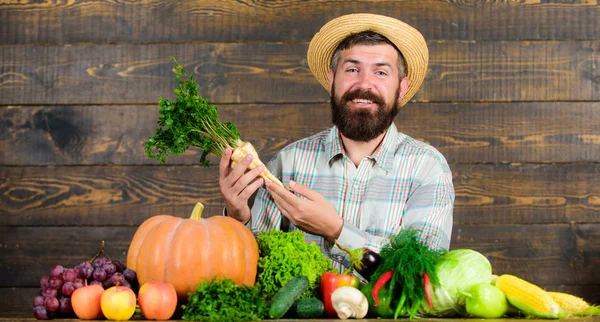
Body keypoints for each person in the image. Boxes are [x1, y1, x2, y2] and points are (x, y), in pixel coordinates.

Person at [219, 13, 454, 272]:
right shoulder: (289, 162)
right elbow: (255, 269)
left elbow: (423, 276)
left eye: (381, 72)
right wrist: (238, 219)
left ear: (402, 87)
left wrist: (337, 230)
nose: (365, 84)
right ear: (332, 80)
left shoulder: (427, 169)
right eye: (352, 69)